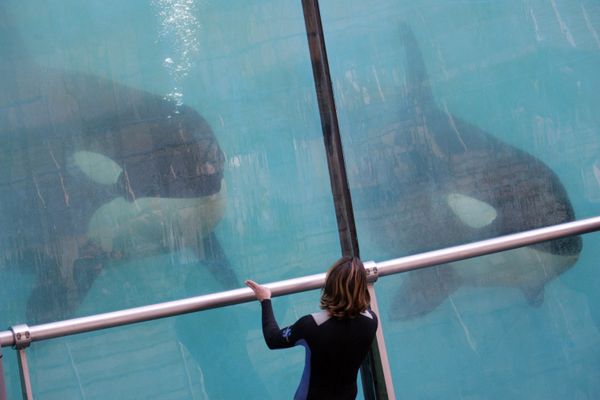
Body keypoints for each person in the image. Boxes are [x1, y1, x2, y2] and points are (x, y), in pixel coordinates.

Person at [245, 256, 378, 400]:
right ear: (362, 288)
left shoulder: (312, 326)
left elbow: (273, 339)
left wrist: (265, 300)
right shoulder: (371, 321)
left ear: (329, 287)